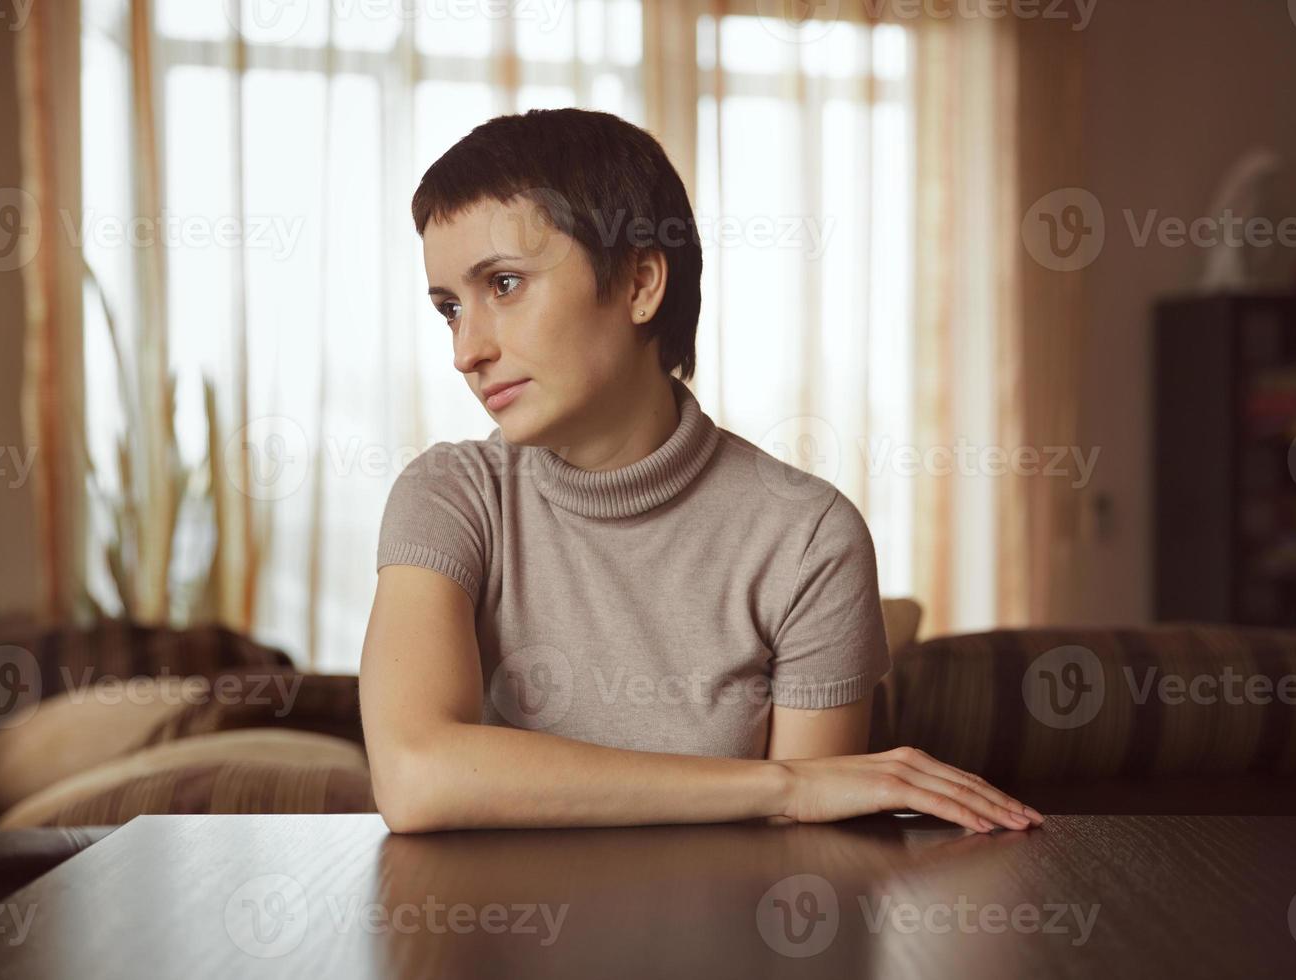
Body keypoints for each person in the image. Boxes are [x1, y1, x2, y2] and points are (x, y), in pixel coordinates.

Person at [358, 107, 1043, 835]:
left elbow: (802, 866)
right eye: (449, 308)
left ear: (640, 284)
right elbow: (415, 777)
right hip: (493, 939)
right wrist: (779, 785)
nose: (466, 350)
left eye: (502, 285)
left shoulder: (808, 538)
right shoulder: (450, 495)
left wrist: (789, 796)